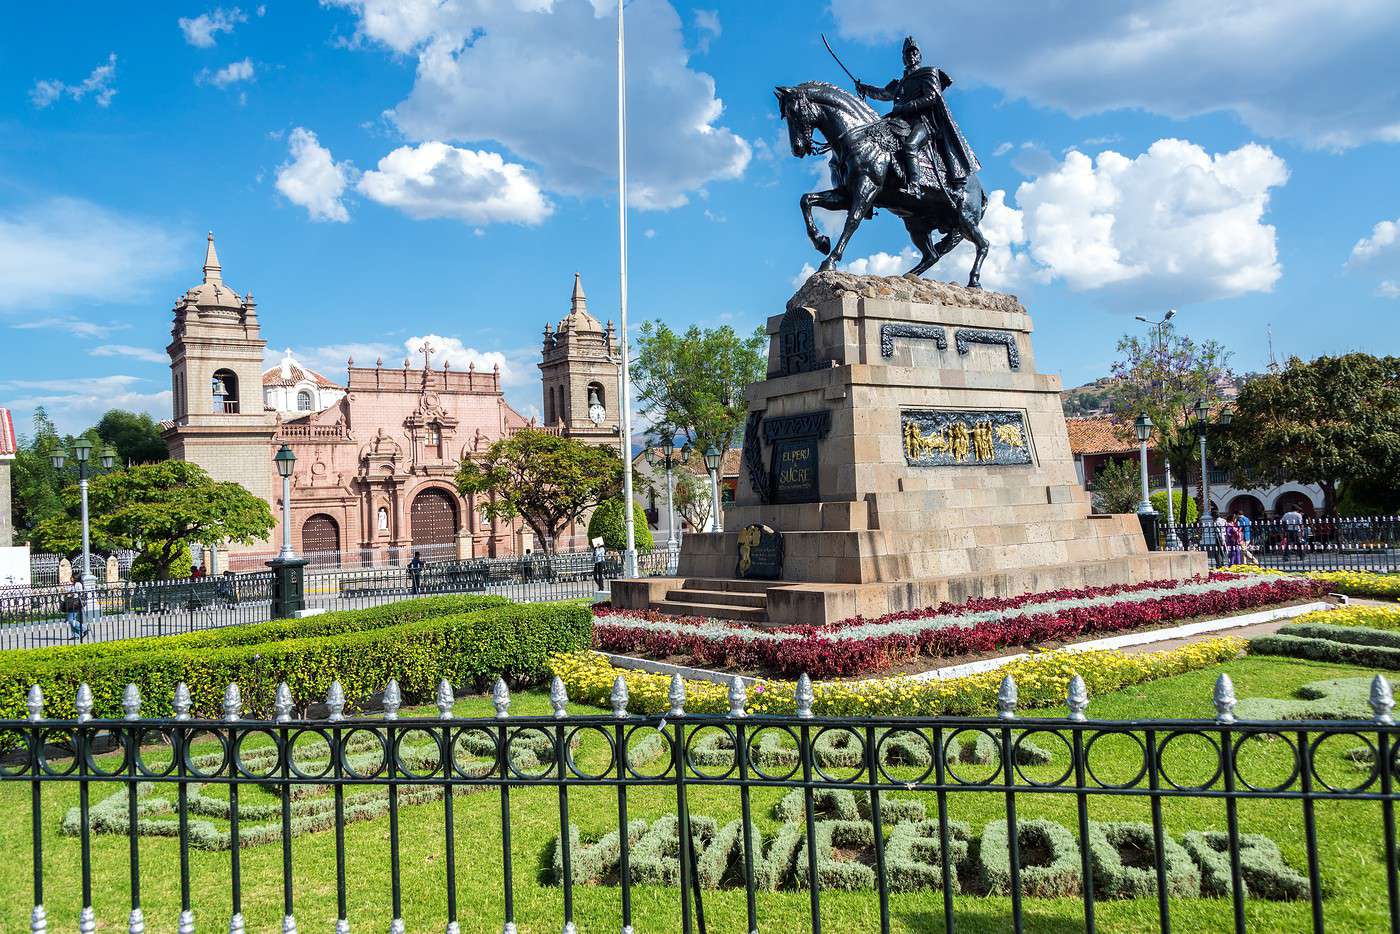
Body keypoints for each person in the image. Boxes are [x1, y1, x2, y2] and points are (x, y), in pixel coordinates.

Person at [856, 35, 979, 201]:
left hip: (924, 123)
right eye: (908, 54)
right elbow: (883, 93)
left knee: (910, 145)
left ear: (919, 56)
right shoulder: (900, 83)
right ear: (903, 58)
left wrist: (905, 107)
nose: (911, 56)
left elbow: (932, 97)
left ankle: (915, 186)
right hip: (901, 122)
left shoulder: (928, 73)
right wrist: (865, 88)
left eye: (914, 53)